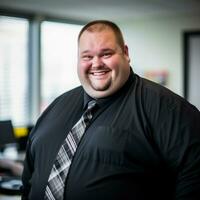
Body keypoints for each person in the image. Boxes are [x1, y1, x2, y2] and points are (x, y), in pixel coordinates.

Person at [21, 20, 200, 200]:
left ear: (125, 53)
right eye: (87, 57)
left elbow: (194, 178)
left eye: (106, 54)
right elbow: (29, 176)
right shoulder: (56, 107)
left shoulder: (167, 107)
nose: (96, 64)